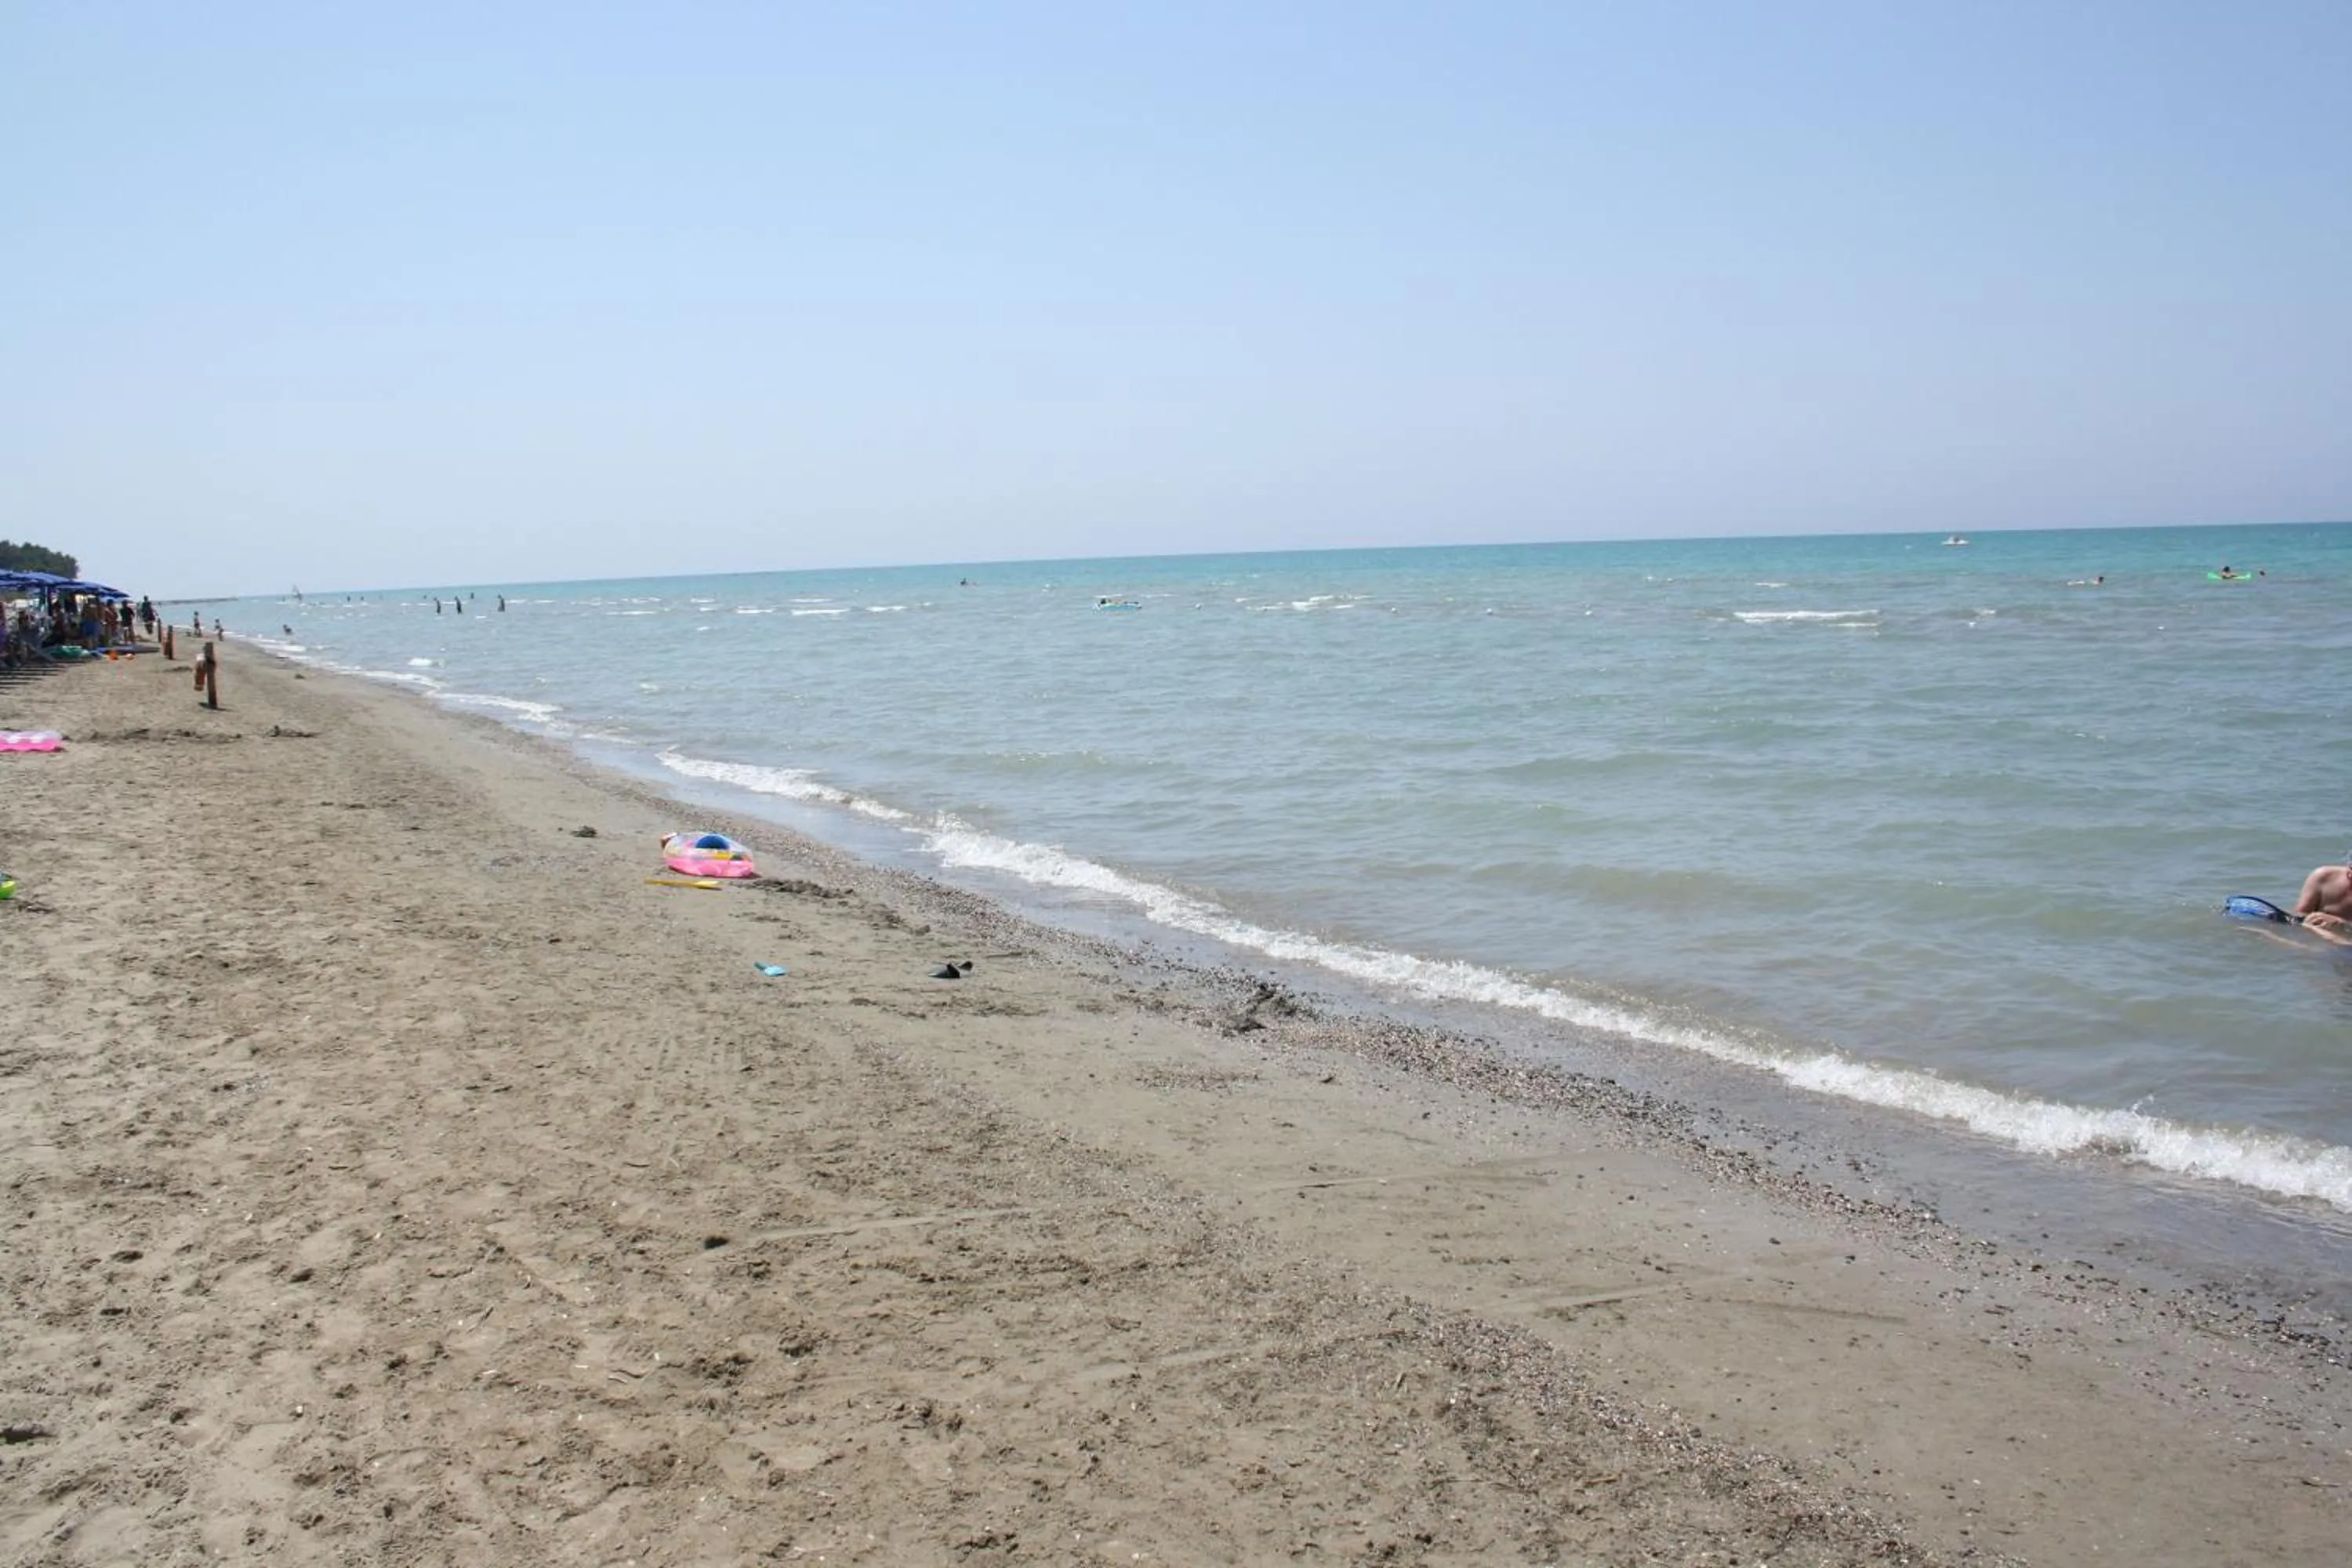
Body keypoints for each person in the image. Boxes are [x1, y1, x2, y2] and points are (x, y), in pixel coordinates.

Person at [2294, 853, 2352, 944]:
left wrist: (2342, 923)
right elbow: (2299, 916)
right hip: (2316, 939)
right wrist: (2310, 919)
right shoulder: (2322, 877)